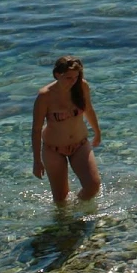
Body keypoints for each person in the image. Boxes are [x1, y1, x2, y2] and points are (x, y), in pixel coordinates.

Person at [32, 57, 102, 204]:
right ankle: (67, 218)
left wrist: (97, 132)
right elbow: (36, 129)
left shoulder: (82, 86)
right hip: (53, 149)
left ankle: (77, 207)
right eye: (69, 78)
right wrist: (37, 161)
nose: (73, 81)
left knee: (93, 186)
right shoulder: (45, 96)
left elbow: (89, 110)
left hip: (80, 144)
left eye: (76, 77)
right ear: (58, 74)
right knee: (60, 200)